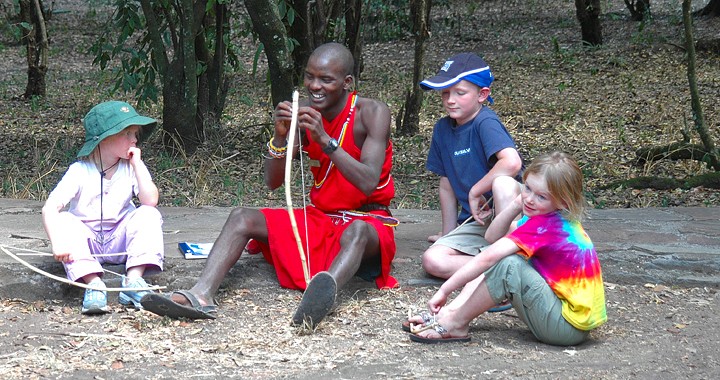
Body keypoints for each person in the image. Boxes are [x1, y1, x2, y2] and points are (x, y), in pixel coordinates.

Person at [141, 42, 398, 328]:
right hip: (322, 220)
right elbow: (273, 182)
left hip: (368, 222)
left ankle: (322, 298)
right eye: (310, 76)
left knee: (357, 230)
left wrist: (324, 139)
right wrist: (279, 137)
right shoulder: (307, 113)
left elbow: (367, 182)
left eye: (326, 79)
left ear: (347, 82)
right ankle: (200, 296)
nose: (315, 86)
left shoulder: (372, 112)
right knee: (242, 217)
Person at [407, 151, 607, 346]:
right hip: (568, 320)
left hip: (566, 327)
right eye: (527, 188)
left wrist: (444, 290)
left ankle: (455, 323)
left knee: (506, 263)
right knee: (500, 256)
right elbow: (492, 237)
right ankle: (449, 314)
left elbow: (489, 257)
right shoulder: (548, 217)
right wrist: (515, 205)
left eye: (541, 197)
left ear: (563, 202)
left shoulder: (545, 227)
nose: (529, 199)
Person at [419, 52, 523, 309]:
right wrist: (447, 233)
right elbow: (446, 183)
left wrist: (477, 190)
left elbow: (512, 163)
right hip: (479, 222)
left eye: (460, 93)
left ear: (482, 94)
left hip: (511, 217)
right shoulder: (443, 129)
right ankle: (508, 269)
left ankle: (512, 252)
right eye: (445, 93)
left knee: (503, 182)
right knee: (432, 260)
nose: (450, 100)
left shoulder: (485, 121)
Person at [42, 101, 164, 315]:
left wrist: (138, 165)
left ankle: (133, 281)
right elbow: (50, 207)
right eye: (127, 134)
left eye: (135, 134)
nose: (134, 140)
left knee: (148, 214)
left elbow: (150, 200)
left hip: (120, 239)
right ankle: (94, 284)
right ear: (105, 138)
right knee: (64, 220)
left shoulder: (129, 168)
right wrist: (57, 243)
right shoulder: (80, 170)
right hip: (88, 244)